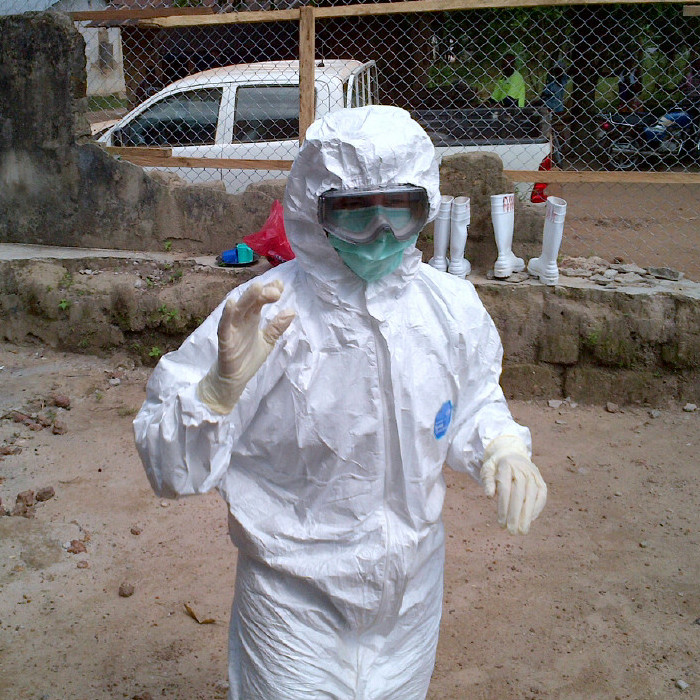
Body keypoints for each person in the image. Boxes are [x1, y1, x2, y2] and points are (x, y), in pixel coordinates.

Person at [134, 105, 547, 700]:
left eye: (398, 211)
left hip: (411, 598)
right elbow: (169, 468)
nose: (380, 235)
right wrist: (215, 392)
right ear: (313, 209)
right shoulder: (264, 315)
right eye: (355, 213)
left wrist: (502, 447)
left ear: (425, 205)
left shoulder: (449, 309)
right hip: (293, 601)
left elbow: (472, 398)